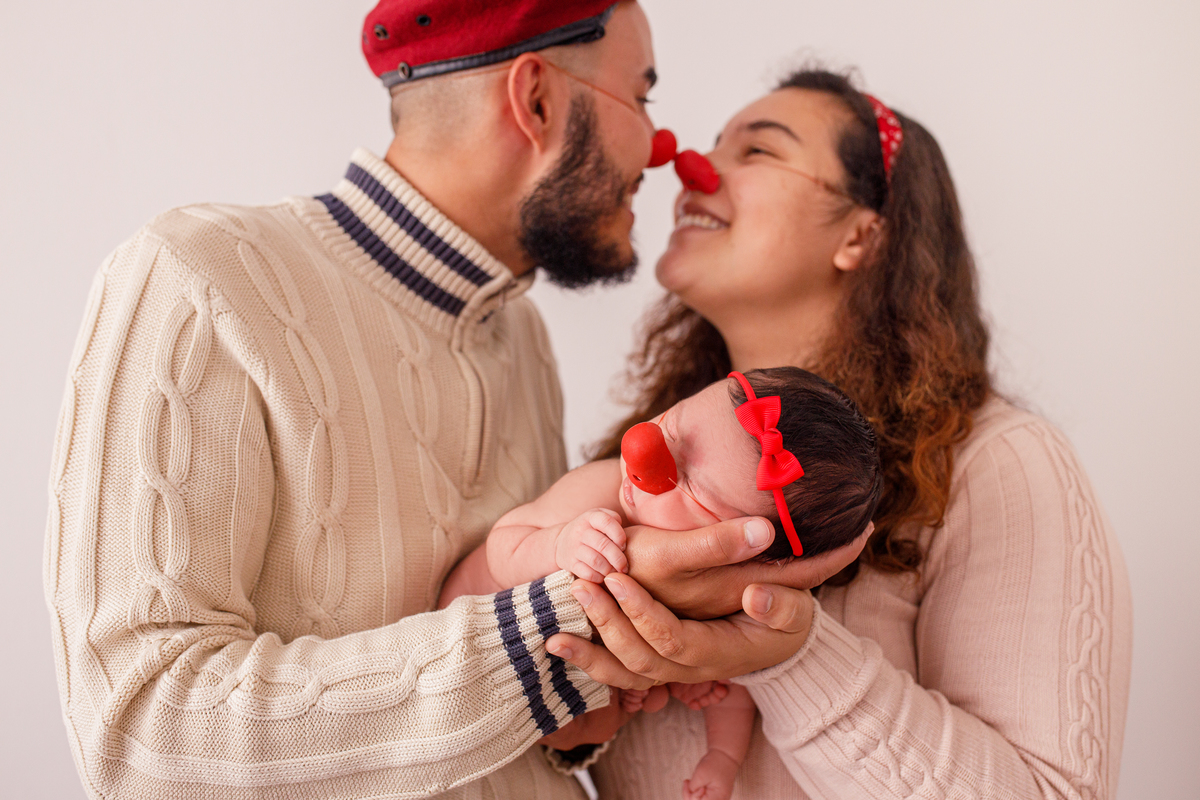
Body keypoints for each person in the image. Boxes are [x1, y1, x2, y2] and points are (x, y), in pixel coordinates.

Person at [43, 2, 873, 796]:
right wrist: (579, 612)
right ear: (537, 98)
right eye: (642, 94)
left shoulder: (521, 340)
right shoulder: (198, 278)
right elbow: (141, 736)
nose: (661, 149)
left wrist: (601, 689)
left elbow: (522, 732)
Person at [543, 68, 1134, 798]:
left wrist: (788, 652)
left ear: (859, 234)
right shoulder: (638, 479)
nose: (687, 162)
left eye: (758, 151)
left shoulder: (997, 463)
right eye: (718, 142)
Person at [437, 366, 882, 799]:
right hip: (458, 637)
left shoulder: (729, 592)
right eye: (670, 426)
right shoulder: (600, 493)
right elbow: (503, 547)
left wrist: (722, 757)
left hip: (541, 715)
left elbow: (736, 671)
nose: (645, 457)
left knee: (651, 699)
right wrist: (560, 544)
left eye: (689, 488)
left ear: (747, 552)